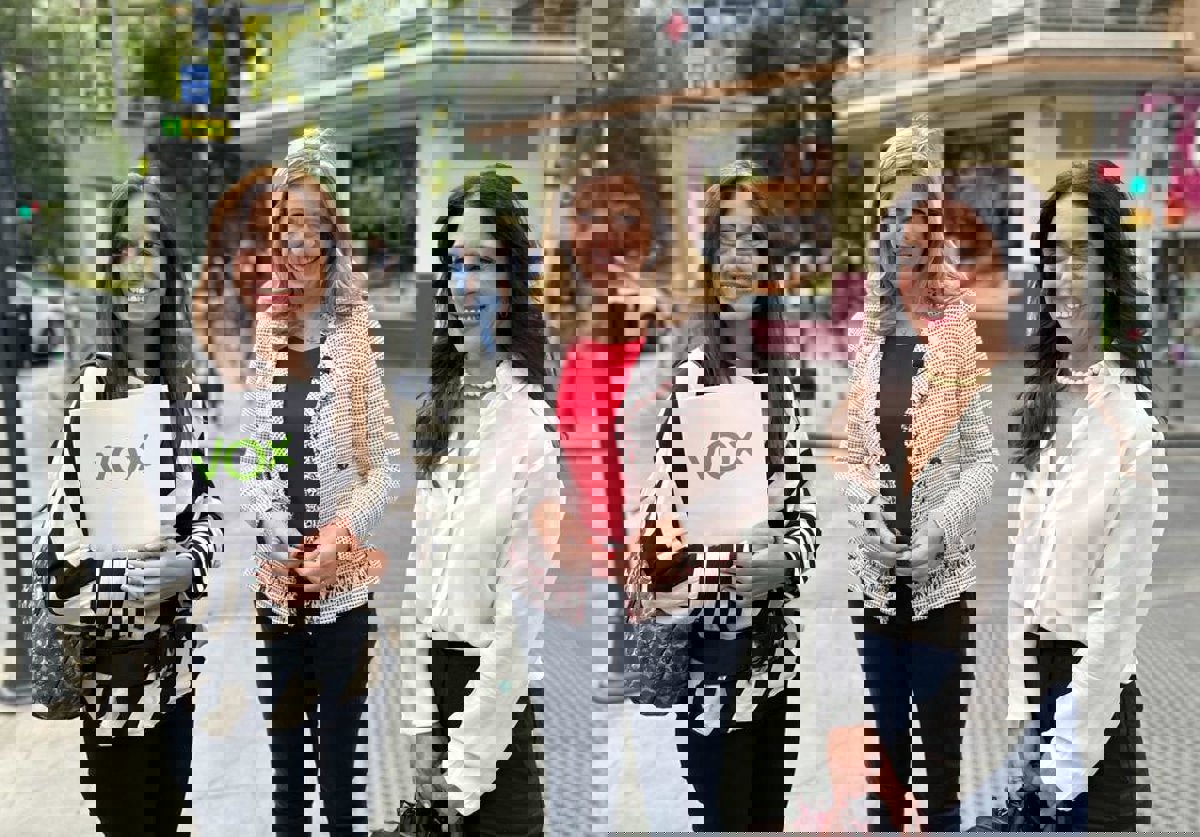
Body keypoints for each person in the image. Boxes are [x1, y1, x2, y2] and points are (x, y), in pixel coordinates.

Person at [623, 162, 820, 831]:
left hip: (777, 661)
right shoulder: (688, 377)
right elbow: (661, 511)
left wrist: (786, 557)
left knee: (766, 817)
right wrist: (702, 556)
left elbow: (808, 517)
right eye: (727, 242)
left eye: (753, 243)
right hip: (709, 656)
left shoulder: (787, 381)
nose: (740, 259)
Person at [974, 161, 1162, 832]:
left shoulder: (1130, 428)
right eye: (1055, 253)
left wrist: (1069, 751)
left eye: (1084, 252)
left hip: (1094, 723)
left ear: (1112, 273)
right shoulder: (1045, 408)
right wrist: (1022, 710)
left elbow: (1116, 619)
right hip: (1041, 706)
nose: (1066, 274)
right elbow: (1023, 579)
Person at [39, 172, 222, 836]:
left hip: (176, 679)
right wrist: (135, 582)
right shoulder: (90, 393)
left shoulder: (189, 394)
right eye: (124, 249)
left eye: (151, 248)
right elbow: (58, 566)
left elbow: (210, 518)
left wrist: (182, 565)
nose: (138, 264)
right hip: (108, 685)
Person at [381, 168, 561, 837]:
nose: (466, 284)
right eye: (456, 264)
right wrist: (418, 733)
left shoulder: (532, 436)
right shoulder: (442, 413)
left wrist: (457, 782)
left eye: (483, 264)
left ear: (514, 282)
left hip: (496, 738)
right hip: (435, 723)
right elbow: (416, 592)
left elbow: (516, 634)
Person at [242, 130, 400, 837]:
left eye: (309, 226)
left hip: (342, 597)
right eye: (284, 227)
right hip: (276, 597)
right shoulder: (261, 333)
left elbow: (386, 467)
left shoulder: (355, 333)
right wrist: (266, 531)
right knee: (286, 789)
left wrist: (339, 535)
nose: (296, 243)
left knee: (339, 786)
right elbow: (240, 454)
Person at [839, 173, 1000, 832]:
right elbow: (851, 456)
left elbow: (984, 459)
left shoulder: (959, 338)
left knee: (940, 763)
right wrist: (867, 517)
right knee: (888, 760)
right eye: (903, 253)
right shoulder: (864, 338)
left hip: (942, 587)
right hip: (874, 587)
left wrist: (939, 527)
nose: (914, 266)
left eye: (926, 253)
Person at [539, 125, 685, 834]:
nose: (603, 234)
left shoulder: (666, 329)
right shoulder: (562, 328)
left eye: (623, 217)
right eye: (589, 215)